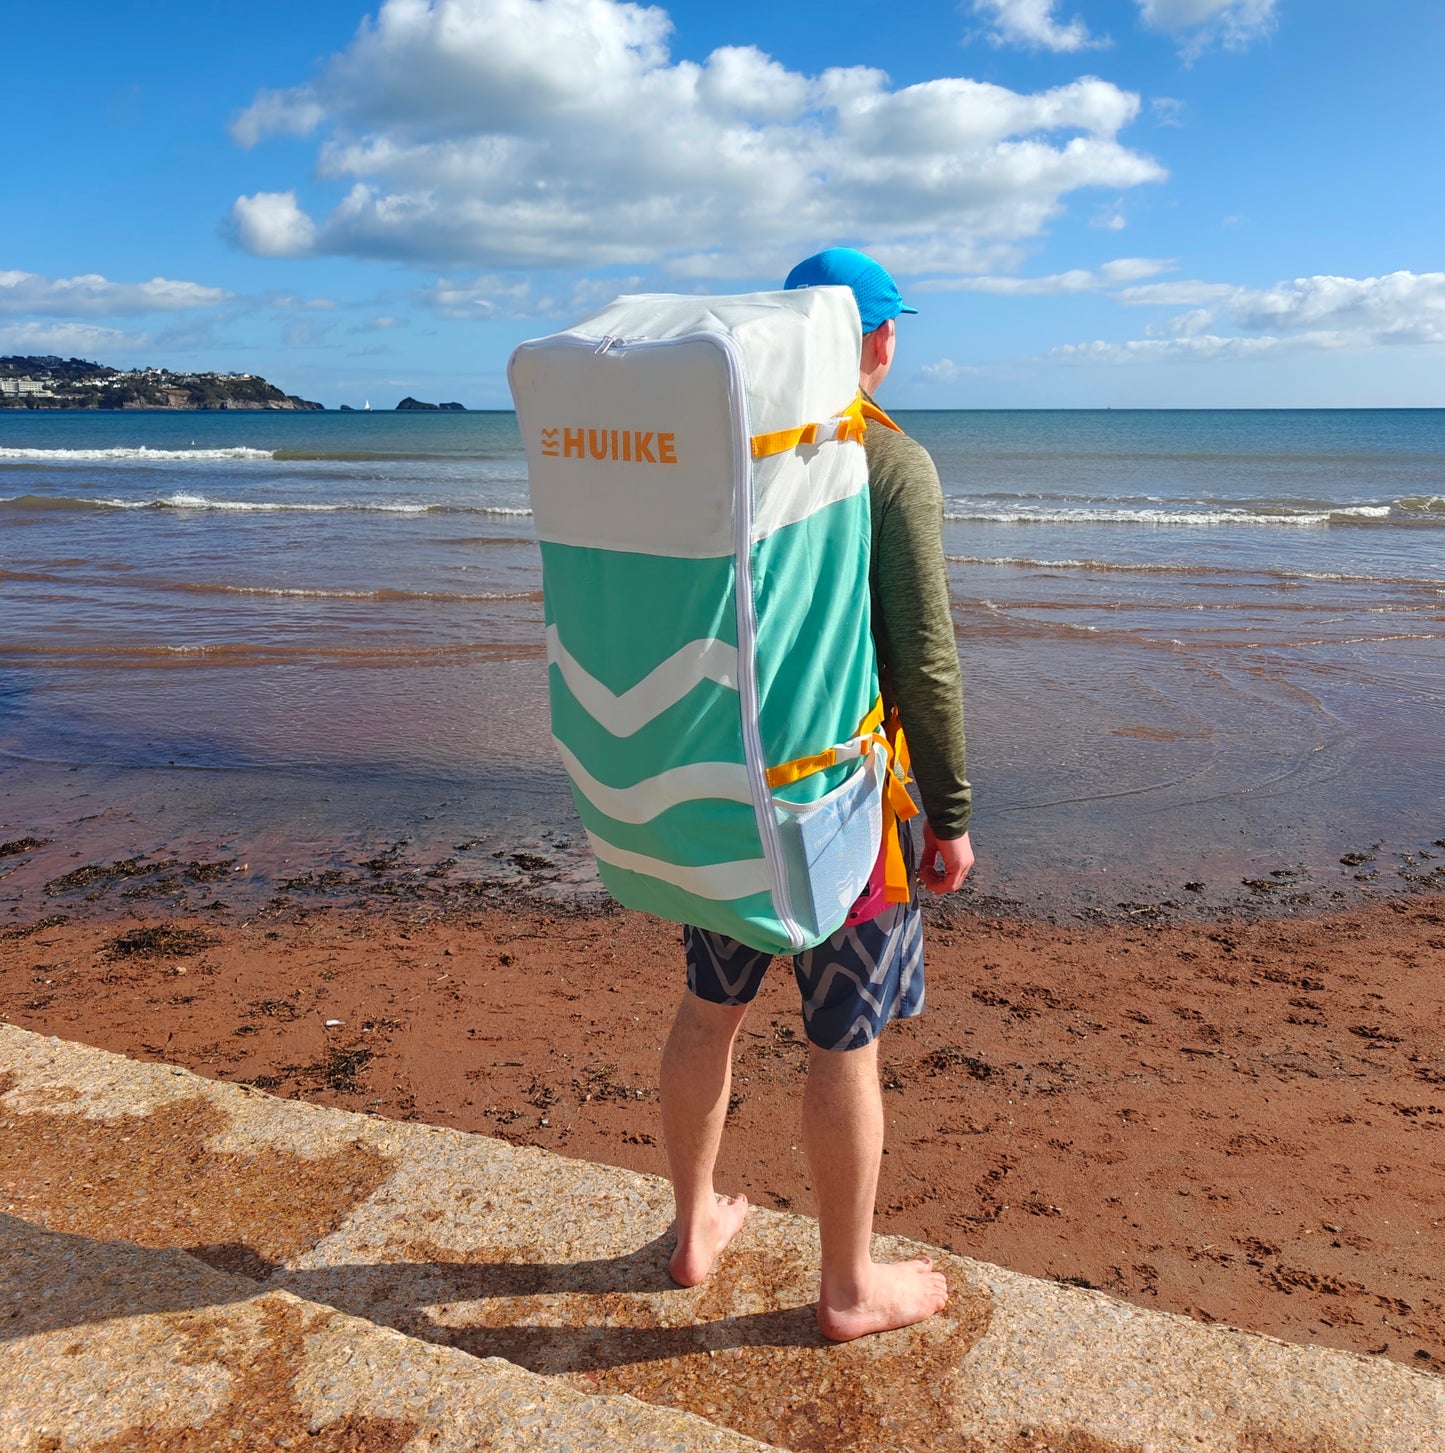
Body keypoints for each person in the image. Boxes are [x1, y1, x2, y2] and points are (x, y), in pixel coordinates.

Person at [660, 248, 974, 1341]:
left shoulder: (724, 447)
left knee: (709, 1010)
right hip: (843, 806)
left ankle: (692, 1229)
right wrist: (951, 813)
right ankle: (846, 1287)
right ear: (877, 338)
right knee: (844, 1041)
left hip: (724, 786)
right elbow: (924, 659)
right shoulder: (888, 463)